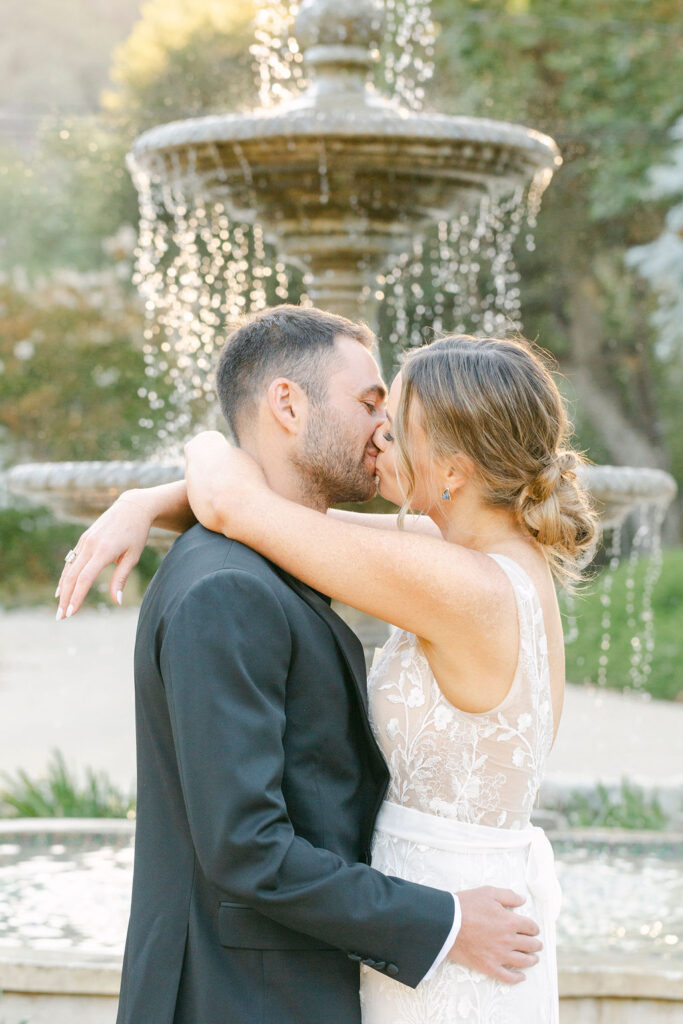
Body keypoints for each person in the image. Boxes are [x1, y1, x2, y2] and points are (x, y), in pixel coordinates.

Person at [57, 306, 546, 1024]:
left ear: (454, 466)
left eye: (394, 415)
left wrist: (151, 494)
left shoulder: (456, 577)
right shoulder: (231, 586)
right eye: (369, 403)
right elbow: (245, 846)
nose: (382, 431)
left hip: (448, 943)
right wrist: (437, 922)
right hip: (255, 991)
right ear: (286, 403)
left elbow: (235, 498)